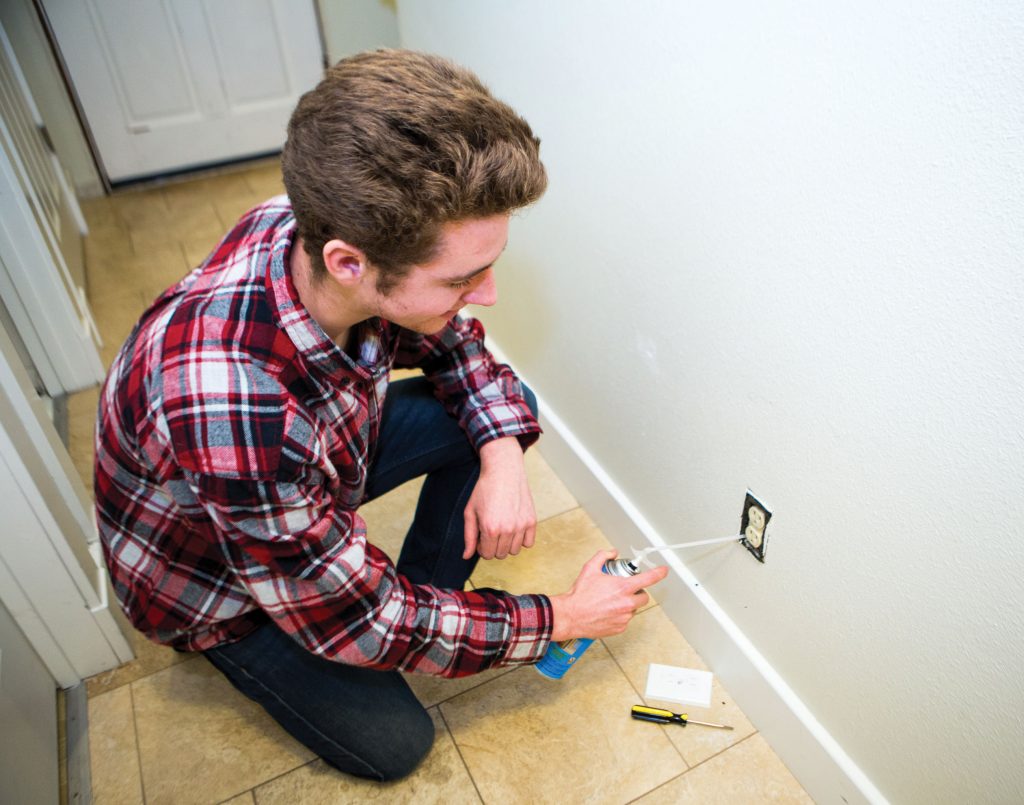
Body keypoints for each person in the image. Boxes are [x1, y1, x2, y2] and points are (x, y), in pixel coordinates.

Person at [94, 49, 667, 782]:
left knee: (501, 412)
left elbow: (456, 346)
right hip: (214, 579)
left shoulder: (307, 221)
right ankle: (368, 617)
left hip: (311, 467)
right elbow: (361, 623)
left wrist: (499, 458)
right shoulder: (236, 405)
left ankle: (426, 597)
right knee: (396, 742)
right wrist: (562, 617)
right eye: (462, 278)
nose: (487, 294)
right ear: (349, 264)